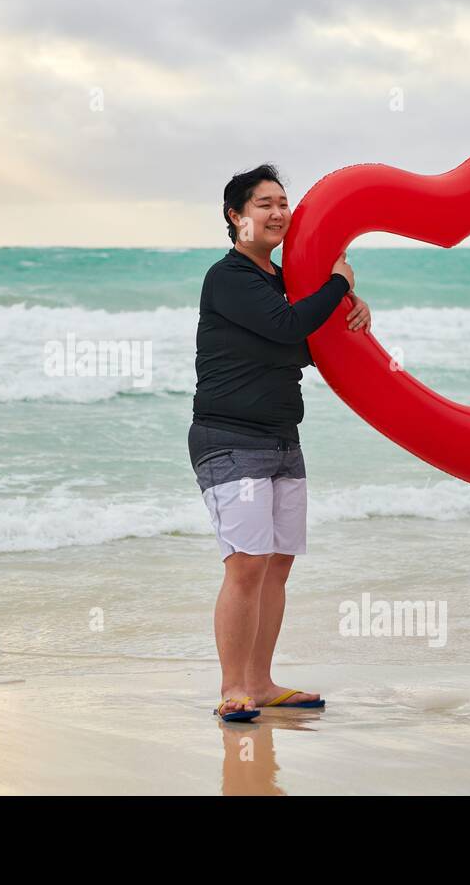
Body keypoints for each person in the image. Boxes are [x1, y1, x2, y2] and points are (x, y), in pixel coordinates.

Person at [189, 163, 371, 721]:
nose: (277, 213)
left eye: (283, 203)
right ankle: (232, 689)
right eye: (264, 204)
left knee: (278, 565)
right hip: (229, 438)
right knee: (246, 564)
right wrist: (340, 283)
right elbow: (289, 328)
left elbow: (305, 347)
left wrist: (349, 316)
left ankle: (261, 683)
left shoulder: (279, 283)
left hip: (282, 439)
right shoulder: (229, 277)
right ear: (236, 217)